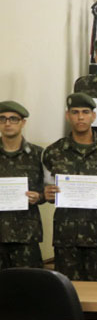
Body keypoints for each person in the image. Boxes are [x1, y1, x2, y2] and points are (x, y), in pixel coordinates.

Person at [42, 93, 97, 280]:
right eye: (75, 112)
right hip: (67, 236)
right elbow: (46, 186)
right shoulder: (53, 152)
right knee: (68, 291)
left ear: (93, 116)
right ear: (67, 115)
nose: (80, 117)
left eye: (85, 112)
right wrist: (46, 193)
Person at [0, 101, 44, 269]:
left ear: (23, 122)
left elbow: (48, 191)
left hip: (26, 234)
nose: (8, 123)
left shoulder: (38, 154)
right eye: (2, 119)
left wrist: (38, 196)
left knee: (28, 287)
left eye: (13, 119)